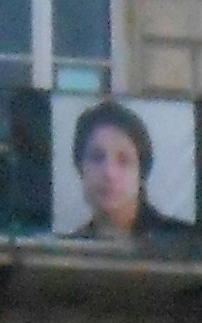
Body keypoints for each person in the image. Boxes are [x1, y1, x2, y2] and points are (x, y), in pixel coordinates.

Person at [63, 97, 156, 239]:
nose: (109, 173)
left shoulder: (181, 243)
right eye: (96, 157)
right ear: (80, 167)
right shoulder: (67, 251)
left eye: (124, 161)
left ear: (141, 173)